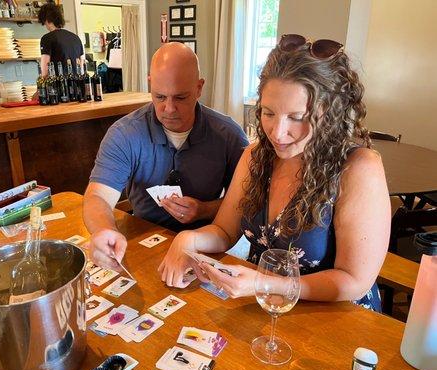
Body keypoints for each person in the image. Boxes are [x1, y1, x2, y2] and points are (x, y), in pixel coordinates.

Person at [159, 34, 390, 311]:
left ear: (329, 112)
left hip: (333, 317)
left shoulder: (358, 168)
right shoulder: (255, 156)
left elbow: (354, 281)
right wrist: (189, 238)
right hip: (264, 307)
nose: (277, 134)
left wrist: (264, 284)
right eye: (268, 113)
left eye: (297, 117)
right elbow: (224, 230)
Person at [83, 42, 249, 270]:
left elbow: (246, 203)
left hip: (207, 244)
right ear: (150, 83)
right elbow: (98, 197)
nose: (169, 109)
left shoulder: (229, 135)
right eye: (160, 97)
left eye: (180, 98)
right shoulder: (124, 133)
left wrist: (204, 209)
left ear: (199, 88)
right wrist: (104, 230)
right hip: (142, 237)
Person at [38, 3, 84, 76]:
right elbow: (81, 65)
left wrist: (42, 82)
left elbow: (45, 70)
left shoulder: (47, 38)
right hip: (77, 84)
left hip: (59, 85)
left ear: (46, 19)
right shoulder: (76, 37)